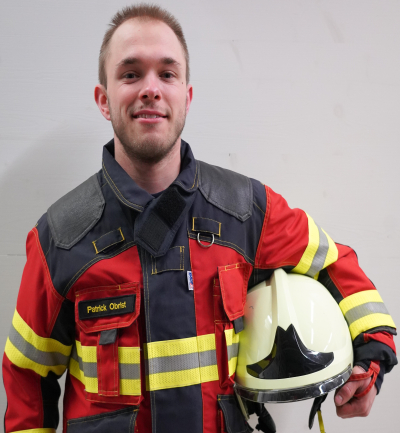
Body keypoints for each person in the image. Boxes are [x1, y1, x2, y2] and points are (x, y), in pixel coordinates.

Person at [2, 4, 397, 433]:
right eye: (131, 74)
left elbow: (336, 265)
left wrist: (371, 359)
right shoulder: (60, 237)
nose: (150, 89)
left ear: (186, 96)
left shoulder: (246, 210)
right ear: (104, 99)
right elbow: (27, 378)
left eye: (167, 74)